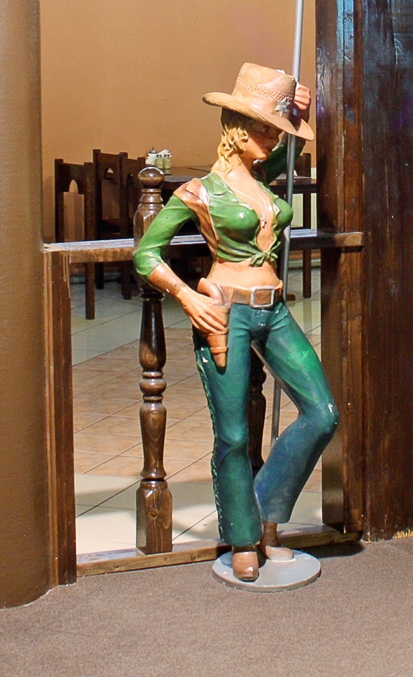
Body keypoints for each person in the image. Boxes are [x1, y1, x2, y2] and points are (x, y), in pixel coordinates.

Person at [134, 64, 336, 583]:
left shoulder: (263, 179)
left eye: (275, 130)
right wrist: (185, 295)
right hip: (226, 313)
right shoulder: (200, 192)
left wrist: (297, 115)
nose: (274, 139)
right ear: (239, 130)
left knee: (322, 413)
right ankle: (245, 537)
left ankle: (264, 511)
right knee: (233, 435)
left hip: (274, 308)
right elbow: (146, 254)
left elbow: (292, 151)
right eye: (266, 129)